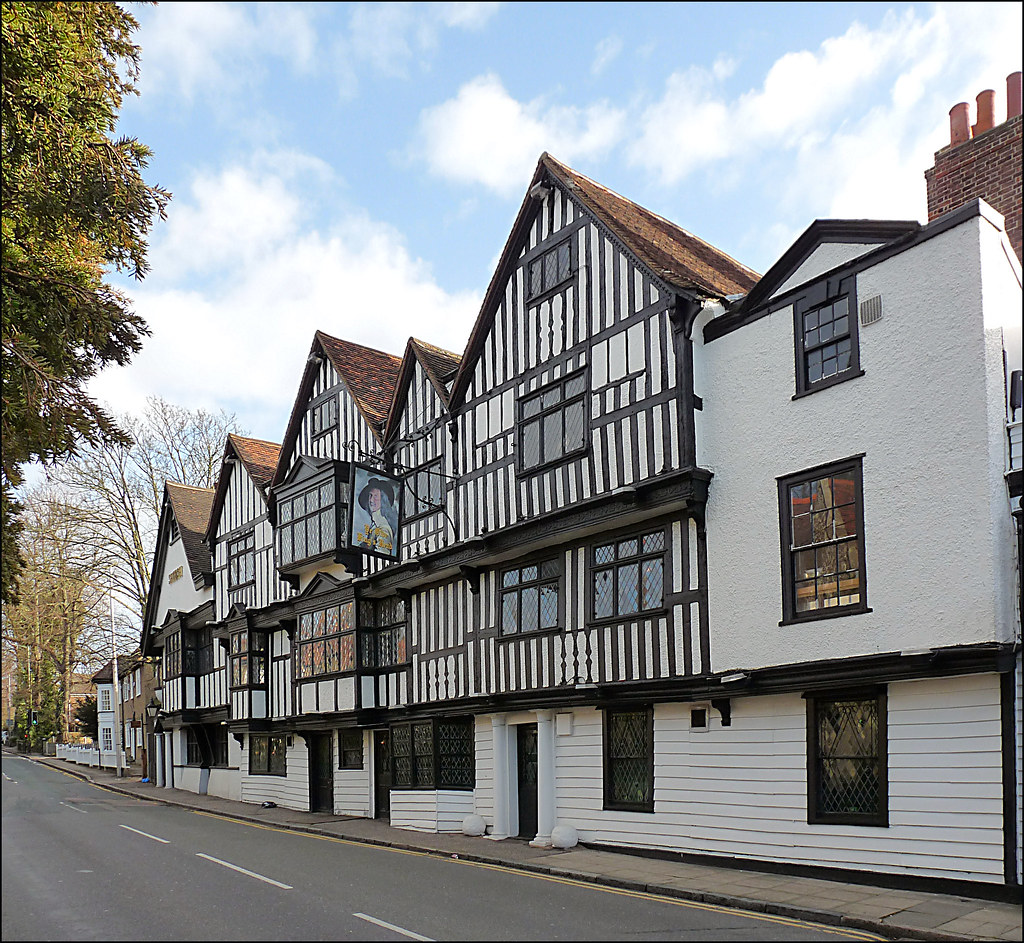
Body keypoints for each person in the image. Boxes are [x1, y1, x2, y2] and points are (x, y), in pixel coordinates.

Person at [354, 477, 396, 555]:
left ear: (383, 500)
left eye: (376, 496)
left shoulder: (383, 529)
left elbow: (382, 553)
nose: (371, 500)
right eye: (370, 495)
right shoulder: (375, 524)